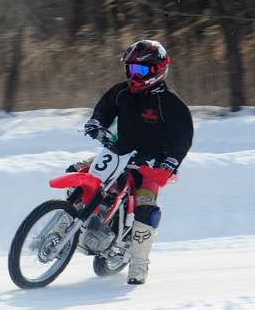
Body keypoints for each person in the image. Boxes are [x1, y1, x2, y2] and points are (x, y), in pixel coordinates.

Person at [80, 40, 193, 284]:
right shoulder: (121, 92)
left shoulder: (171, 104)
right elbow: (103, 111)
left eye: (140, 70)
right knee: (79, 172)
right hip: (118, 153)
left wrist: (170, 161)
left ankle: (139, 265)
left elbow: (182, 137)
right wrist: (96, 123)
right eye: (130, 69)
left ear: (158, 70)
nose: (133, 75)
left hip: (151, 165)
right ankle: (64, 228)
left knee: (145, 206)